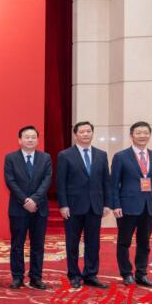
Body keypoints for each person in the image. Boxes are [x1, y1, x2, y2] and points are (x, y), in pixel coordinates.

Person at [57, 121, 111, 289]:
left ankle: (91, 274)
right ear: (75, 135)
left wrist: (107, 203)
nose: (85, 134)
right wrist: (63, 205)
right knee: (72, 243)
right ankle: (74, 275)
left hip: (95, 206)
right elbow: (61, 182)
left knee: (93, 243)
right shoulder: (65, 155)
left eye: (88, 131)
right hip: (73, 207)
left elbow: (106, 181)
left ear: (92, 134)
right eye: (82, 132)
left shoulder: (101, 155)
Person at [111, 121, 152, 287]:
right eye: (138, 133)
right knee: (124, 242)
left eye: (145, 133)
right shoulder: (121, 156)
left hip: (149, 206)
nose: (142, 136)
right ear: (131, 136)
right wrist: (116, 205)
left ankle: (141, 274)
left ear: (150, 135)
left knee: (144, 243)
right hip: (127, 207)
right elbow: (114, 183)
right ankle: (126, 273)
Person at [3, 126, 52, 290]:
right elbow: (10, 181)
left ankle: (36, 277)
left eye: (33, 137)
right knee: (17, 244)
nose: (30, 140)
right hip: (18, 208)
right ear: (20, 140)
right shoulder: (11, 158)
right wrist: (25, 200)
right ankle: (17, 277)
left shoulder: (45, 158)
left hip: (39, 208)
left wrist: (34, 200)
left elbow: (47, 180)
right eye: (26, 137)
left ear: (37, 140)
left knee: (38, 244)